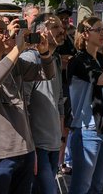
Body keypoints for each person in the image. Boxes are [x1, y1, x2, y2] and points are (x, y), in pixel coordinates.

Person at [0, 14, 56, 194]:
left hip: (24, 150)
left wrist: (45, 52)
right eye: (1, 31)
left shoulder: (13, 62)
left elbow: (47, 73)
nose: (7, 34)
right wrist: (17, 49)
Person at [67, 17, 103, 194]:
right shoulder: (79, 60)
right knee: (82, 187)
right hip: (87, 129)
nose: (102, 33)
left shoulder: (101, 59)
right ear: (85, 34)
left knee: (98, 185)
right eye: (98, 30)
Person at [20, 15, 67, 194]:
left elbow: (59, 99)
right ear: (41, 32)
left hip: (53, 142)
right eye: (55, 27)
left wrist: (60, 137)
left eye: (61, 26)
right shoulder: (30, 59)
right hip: (36, 144)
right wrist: (30, 146)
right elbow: (23, 103)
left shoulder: (54, 60)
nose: (62, 31)